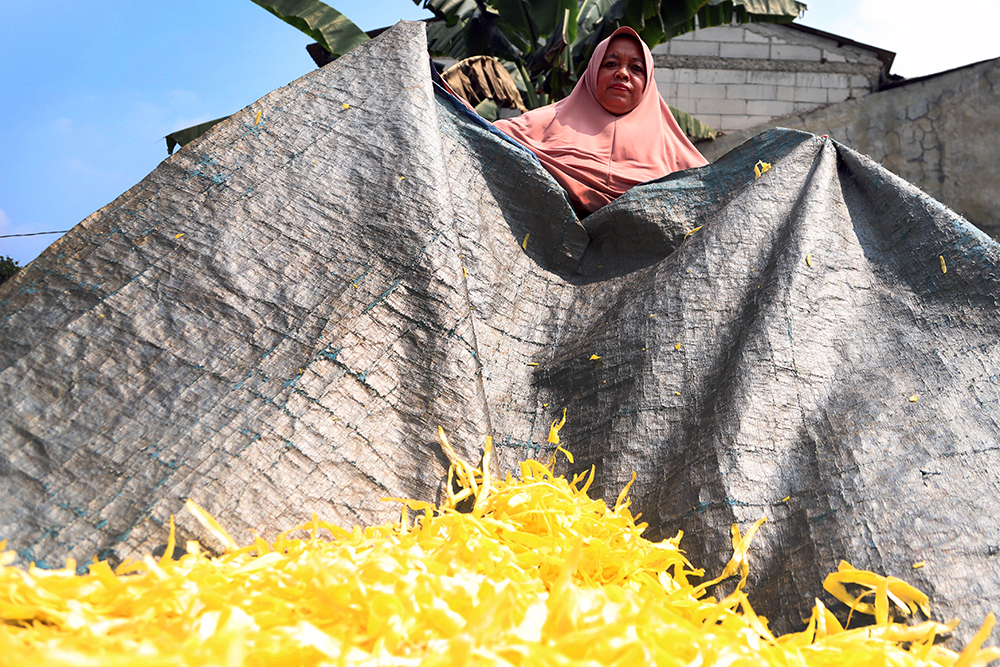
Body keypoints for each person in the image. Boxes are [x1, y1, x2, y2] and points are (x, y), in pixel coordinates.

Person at [493, 27, 708, 215]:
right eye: (611, 63)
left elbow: (712, 194)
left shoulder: (674, 150)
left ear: (648, 82)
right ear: (593, 71)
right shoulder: (542, 124)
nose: (622, 73)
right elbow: (482, 135)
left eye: (636, 68)